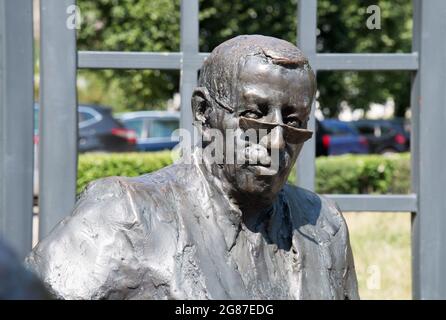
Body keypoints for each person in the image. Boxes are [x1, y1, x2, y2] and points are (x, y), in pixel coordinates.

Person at [26, 35, 359, 300]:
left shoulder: (324, 224)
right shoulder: (123, 213)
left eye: (293, 121)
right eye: (254, 116)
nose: (275, 143)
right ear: (203, 112)